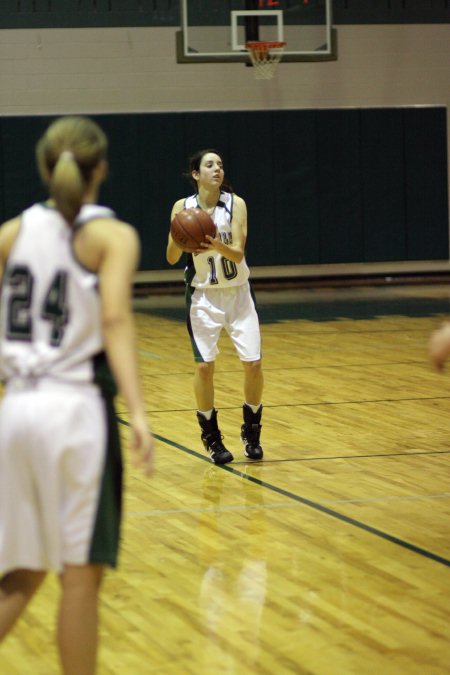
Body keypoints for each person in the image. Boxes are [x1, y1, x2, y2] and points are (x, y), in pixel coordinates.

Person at [0, 116, 155, 675]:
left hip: (15, 410)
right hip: (74, 414)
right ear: (102, 169)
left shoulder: (11, 234)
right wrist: (137, 412)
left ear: (45, 167)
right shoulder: (112, 236)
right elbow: (113, 320)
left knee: (21, 572)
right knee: (80, 577)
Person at [166, 149, 264, 465]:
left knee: (253, 364)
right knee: (204, 367)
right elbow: (170, 257)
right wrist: (180, 236)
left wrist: (213, 243)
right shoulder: (183, 208)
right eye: (210, 165)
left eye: (220, 165)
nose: (217, 169)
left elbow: (237, 254)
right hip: (202, 297)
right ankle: (211, 436)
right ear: (196, 174)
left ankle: (252, 430)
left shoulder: (237, 205)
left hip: (237, 295)